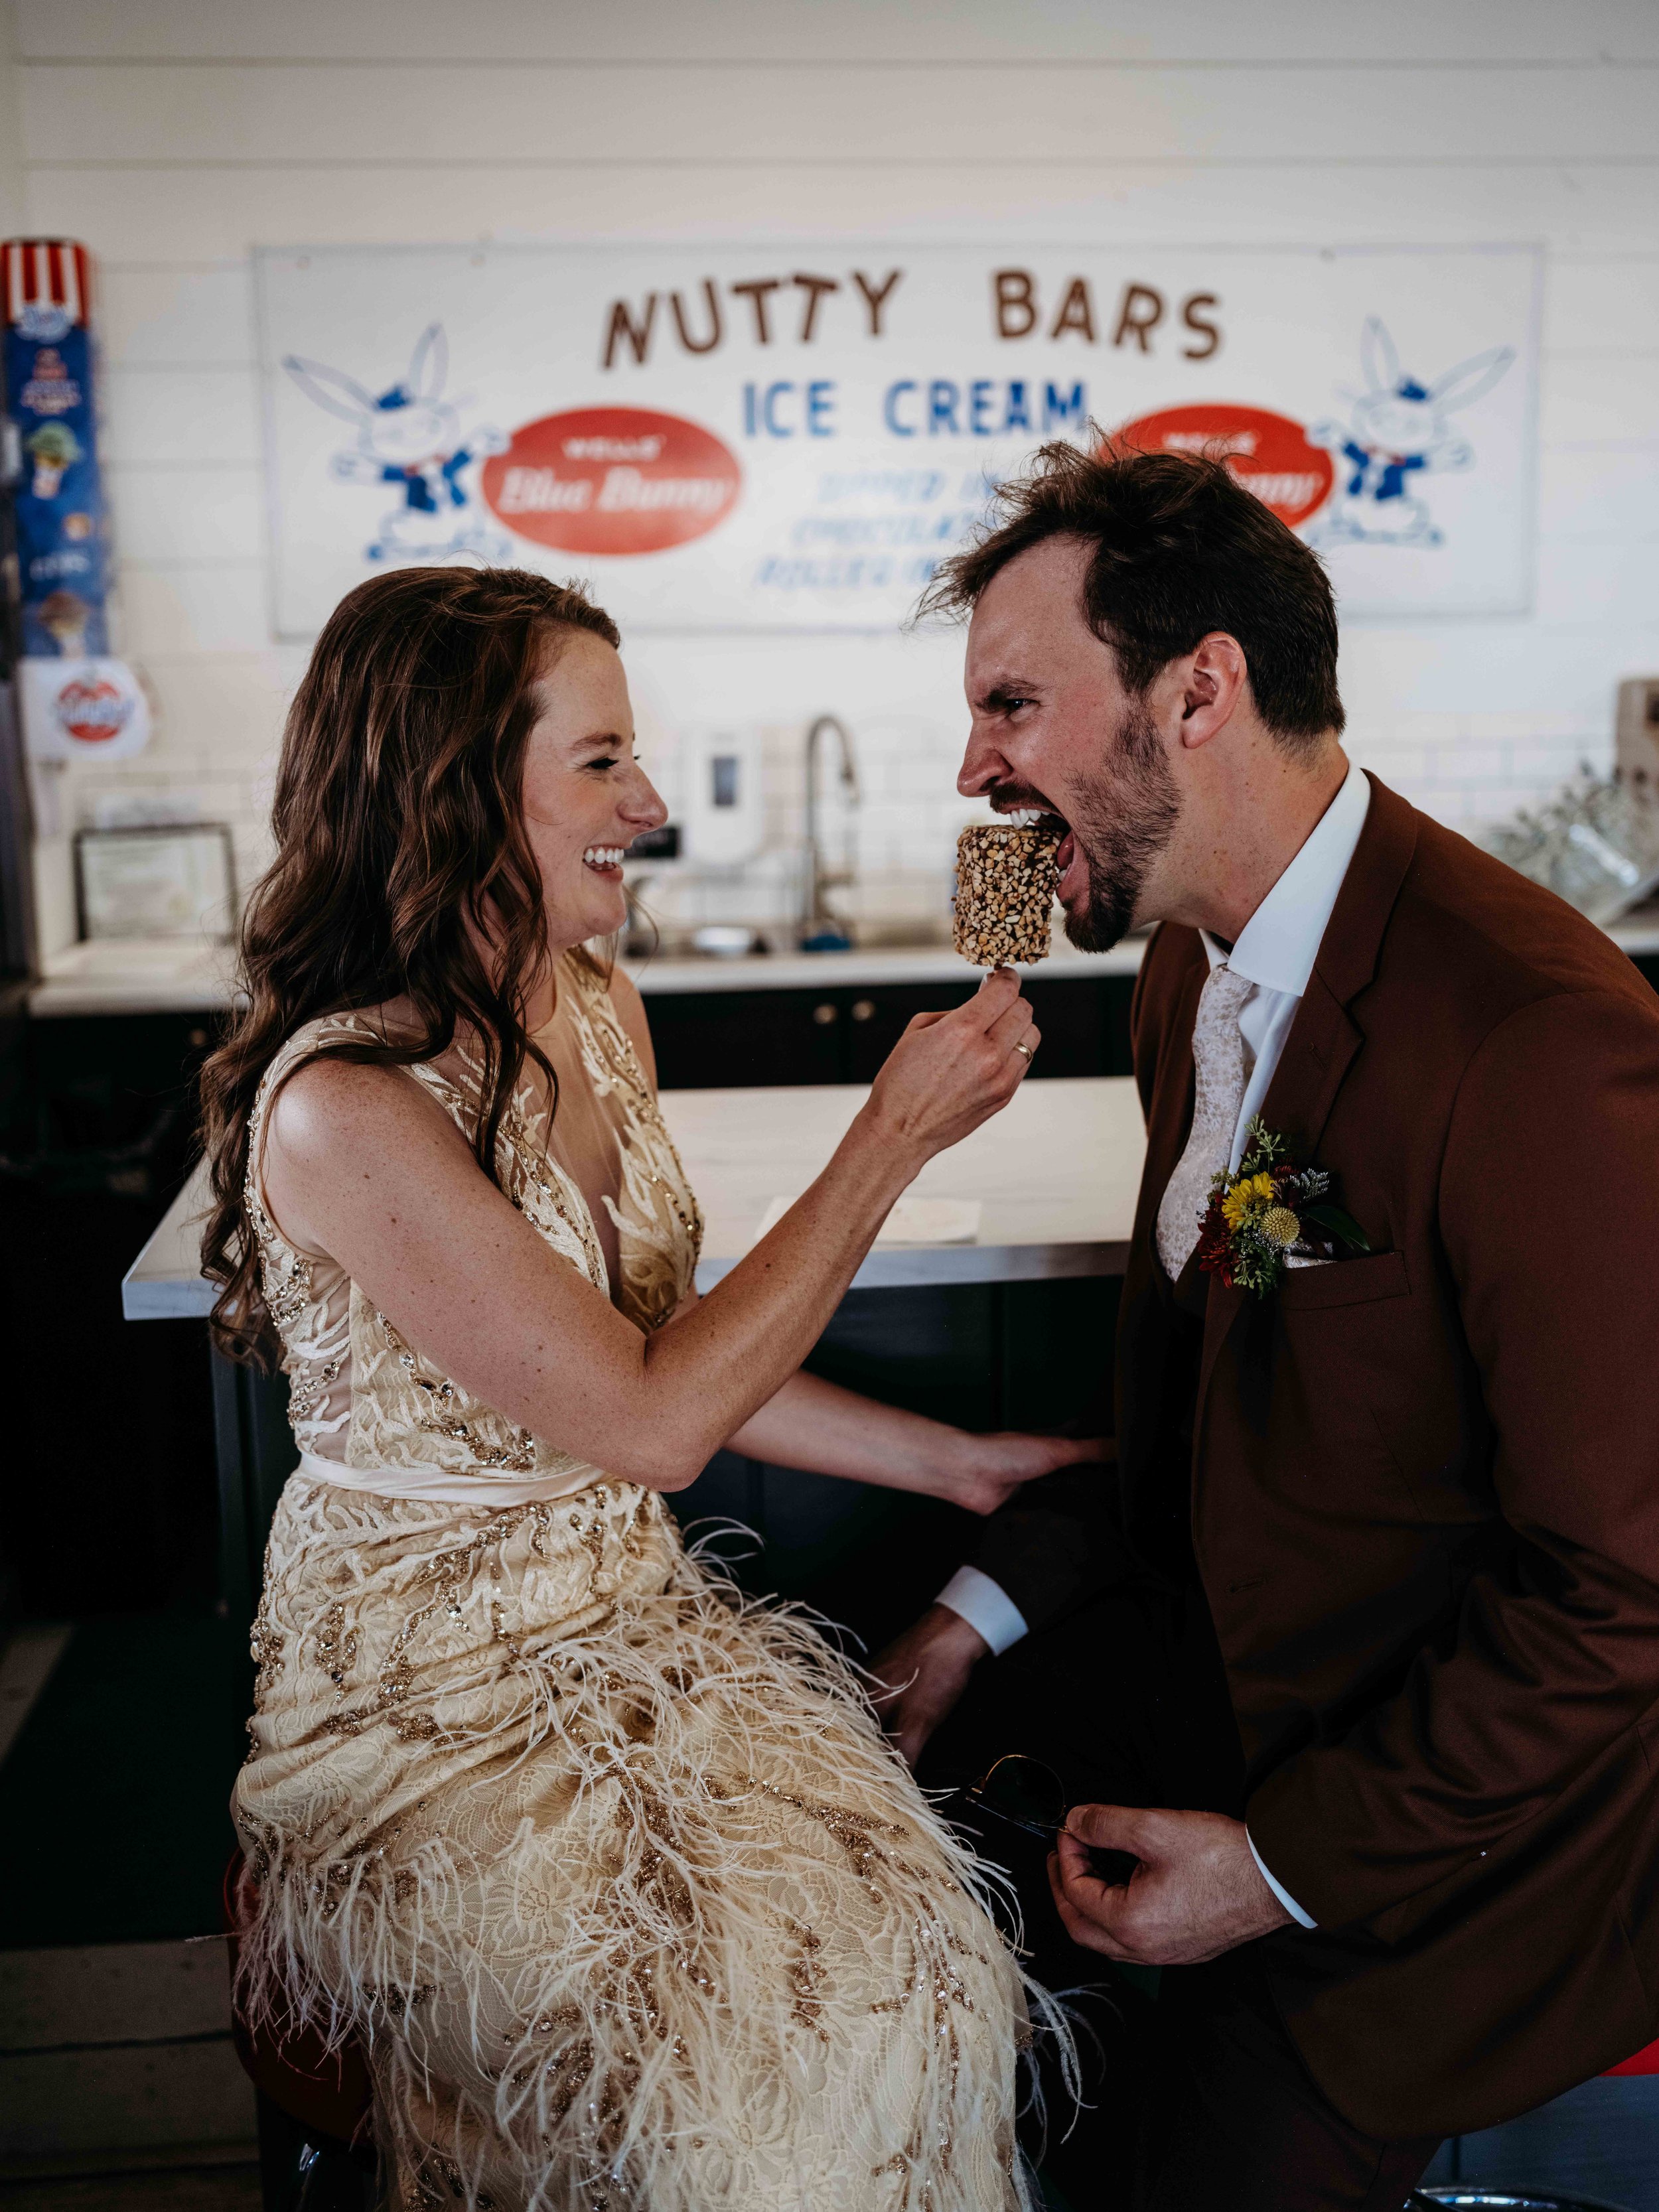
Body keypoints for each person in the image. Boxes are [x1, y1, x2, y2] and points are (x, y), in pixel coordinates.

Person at [198, 565, 1093, 2212]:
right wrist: (886, 1135)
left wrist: (952, 1461)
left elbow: (673, 1349)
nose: (652, 803)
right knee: (684, 2080)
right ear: (455, 783)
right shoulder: (348, 1104)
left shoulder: (599, 1008)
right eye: (603, 759)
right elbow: (654, 1418)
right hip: (429, 1706)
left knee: (898, 1965)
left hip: (629, 1626)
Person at [875, 440, 1659, 2209]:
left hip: (1434, 1875)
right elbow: (1220, 1396)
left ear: (1198, 690)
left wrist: (1276, 1869)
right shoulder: (1189, 966)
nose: (970, 763)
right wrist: (963, 1612)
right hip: (1218, 1714)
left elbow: (1620, 1589)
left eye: (1011, 701)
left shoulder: (1529, 1032)